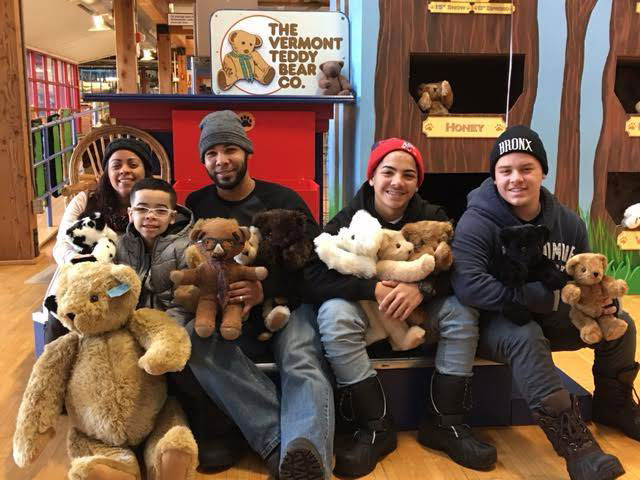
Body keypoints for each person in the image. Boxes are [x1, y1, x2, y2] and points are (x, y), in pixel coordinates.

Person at [451, 125, 640, 480]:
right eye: (505, 171)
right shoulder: (477, 221)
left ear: (543, 172)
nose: (515, 179)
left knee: (622, 326)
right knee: (526, 336)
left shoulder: (568, 222)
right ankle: (576, 447)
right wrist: (542, 298)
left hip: (555, 314)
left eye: (526, 169)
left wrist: (601, 304)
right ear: (493, 176)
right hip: (494, 321)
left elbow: (586, 276)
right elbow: (469, 285)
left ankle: (612, 405)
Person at [306, 138, 497, 477]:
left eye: (408, 175)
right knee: (332, 314)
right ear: (372, 178)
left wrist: (422, 289)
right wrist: (372, 288)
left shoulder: (433, 218)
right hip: (368, 314)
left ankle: (445, 422)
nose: (397, 182)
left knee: (462, 311)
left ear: (418, 182)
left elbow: (463, 270)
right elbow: (315, 277)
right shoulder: (348, 219)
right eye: (388, 172)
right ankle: (375, 426)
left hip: (422, 314)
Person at [175, 110, 334, 480]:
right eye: (211, 153)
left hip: (286, 308)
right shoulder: (195, 206)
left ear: (247, 152)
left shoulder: (284, 200)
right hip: (222, 315)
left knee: (300, 355)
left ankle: (305, 451)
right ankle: (284, 446)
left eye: (230, 149)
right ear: (203, 160)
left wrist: (268, 286)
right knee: (189, 341)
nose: (221, 160)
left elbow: (315, 268)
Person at [44, 138, 154, 343]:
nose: (124, 170)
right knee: (60, 318)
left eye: (133, 164)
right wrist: (81, 263)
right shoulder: (85, 200)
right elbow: (61, 245)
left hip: (125, 287)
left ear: (145, 170)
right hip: (82, 281)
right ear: (107, 172)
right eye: (116, 165)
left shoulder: (153, 205)